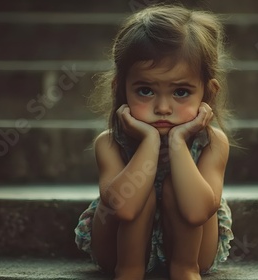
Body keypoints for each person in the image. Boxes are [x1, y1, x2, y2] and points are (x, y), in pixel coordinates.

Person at [75, 4, 234, 280]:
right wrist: (149, 140)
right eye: (145, 90)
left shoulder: (212, 143)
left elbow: (197, 211)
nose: (162, 107)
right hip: (115, 252)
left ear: (208, 92)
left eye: (181, 91)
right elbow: (123, 208)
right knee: (139, 189)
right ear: (121, 88)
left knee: (178, 188)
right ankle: (130, 271)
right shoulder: (109, 143)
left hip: (195, 252)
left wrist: (178, 142)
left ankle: (184, 270)